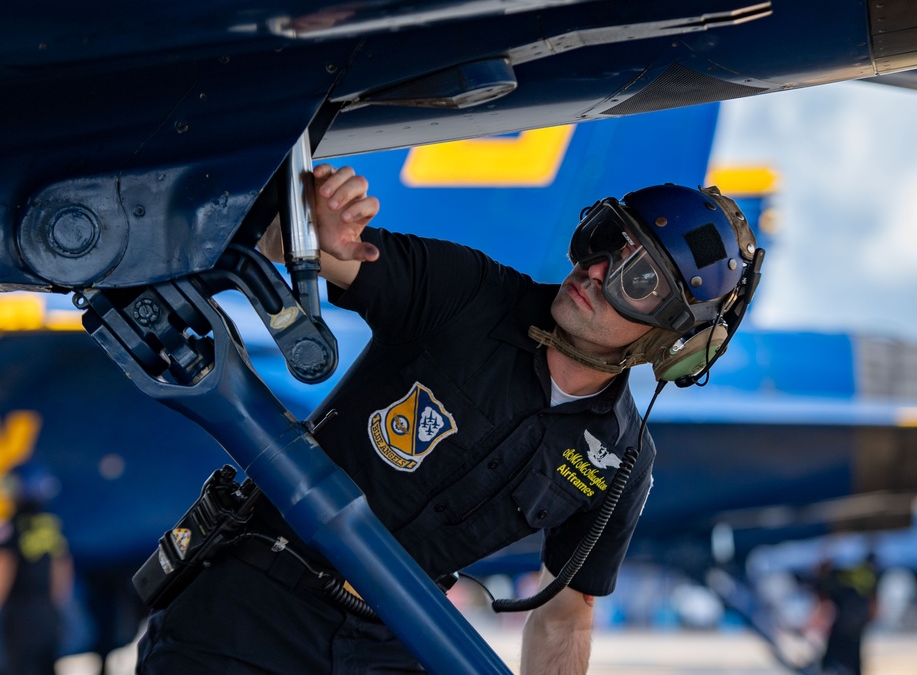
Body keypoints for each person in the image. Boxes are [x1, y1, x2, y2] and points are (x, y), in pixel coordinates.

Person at [136, 164, 760, 674]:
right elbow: (326, 253)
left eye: (638, 276)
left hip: (394, 643)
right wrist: (307, 226)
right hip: (248, 610)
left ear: (677, 336)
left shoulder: (622, 457)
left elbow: (567, 611)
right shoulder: (469, 294)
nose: (595, 273)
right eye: (605, 242)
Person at [0, 463, 74, 675]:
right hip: (47, 612)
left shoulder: (11, 526)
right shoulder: (52, 525)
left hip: (20, 614)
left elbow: (5, 566)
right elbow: (62, 567)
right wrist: (58, 608)